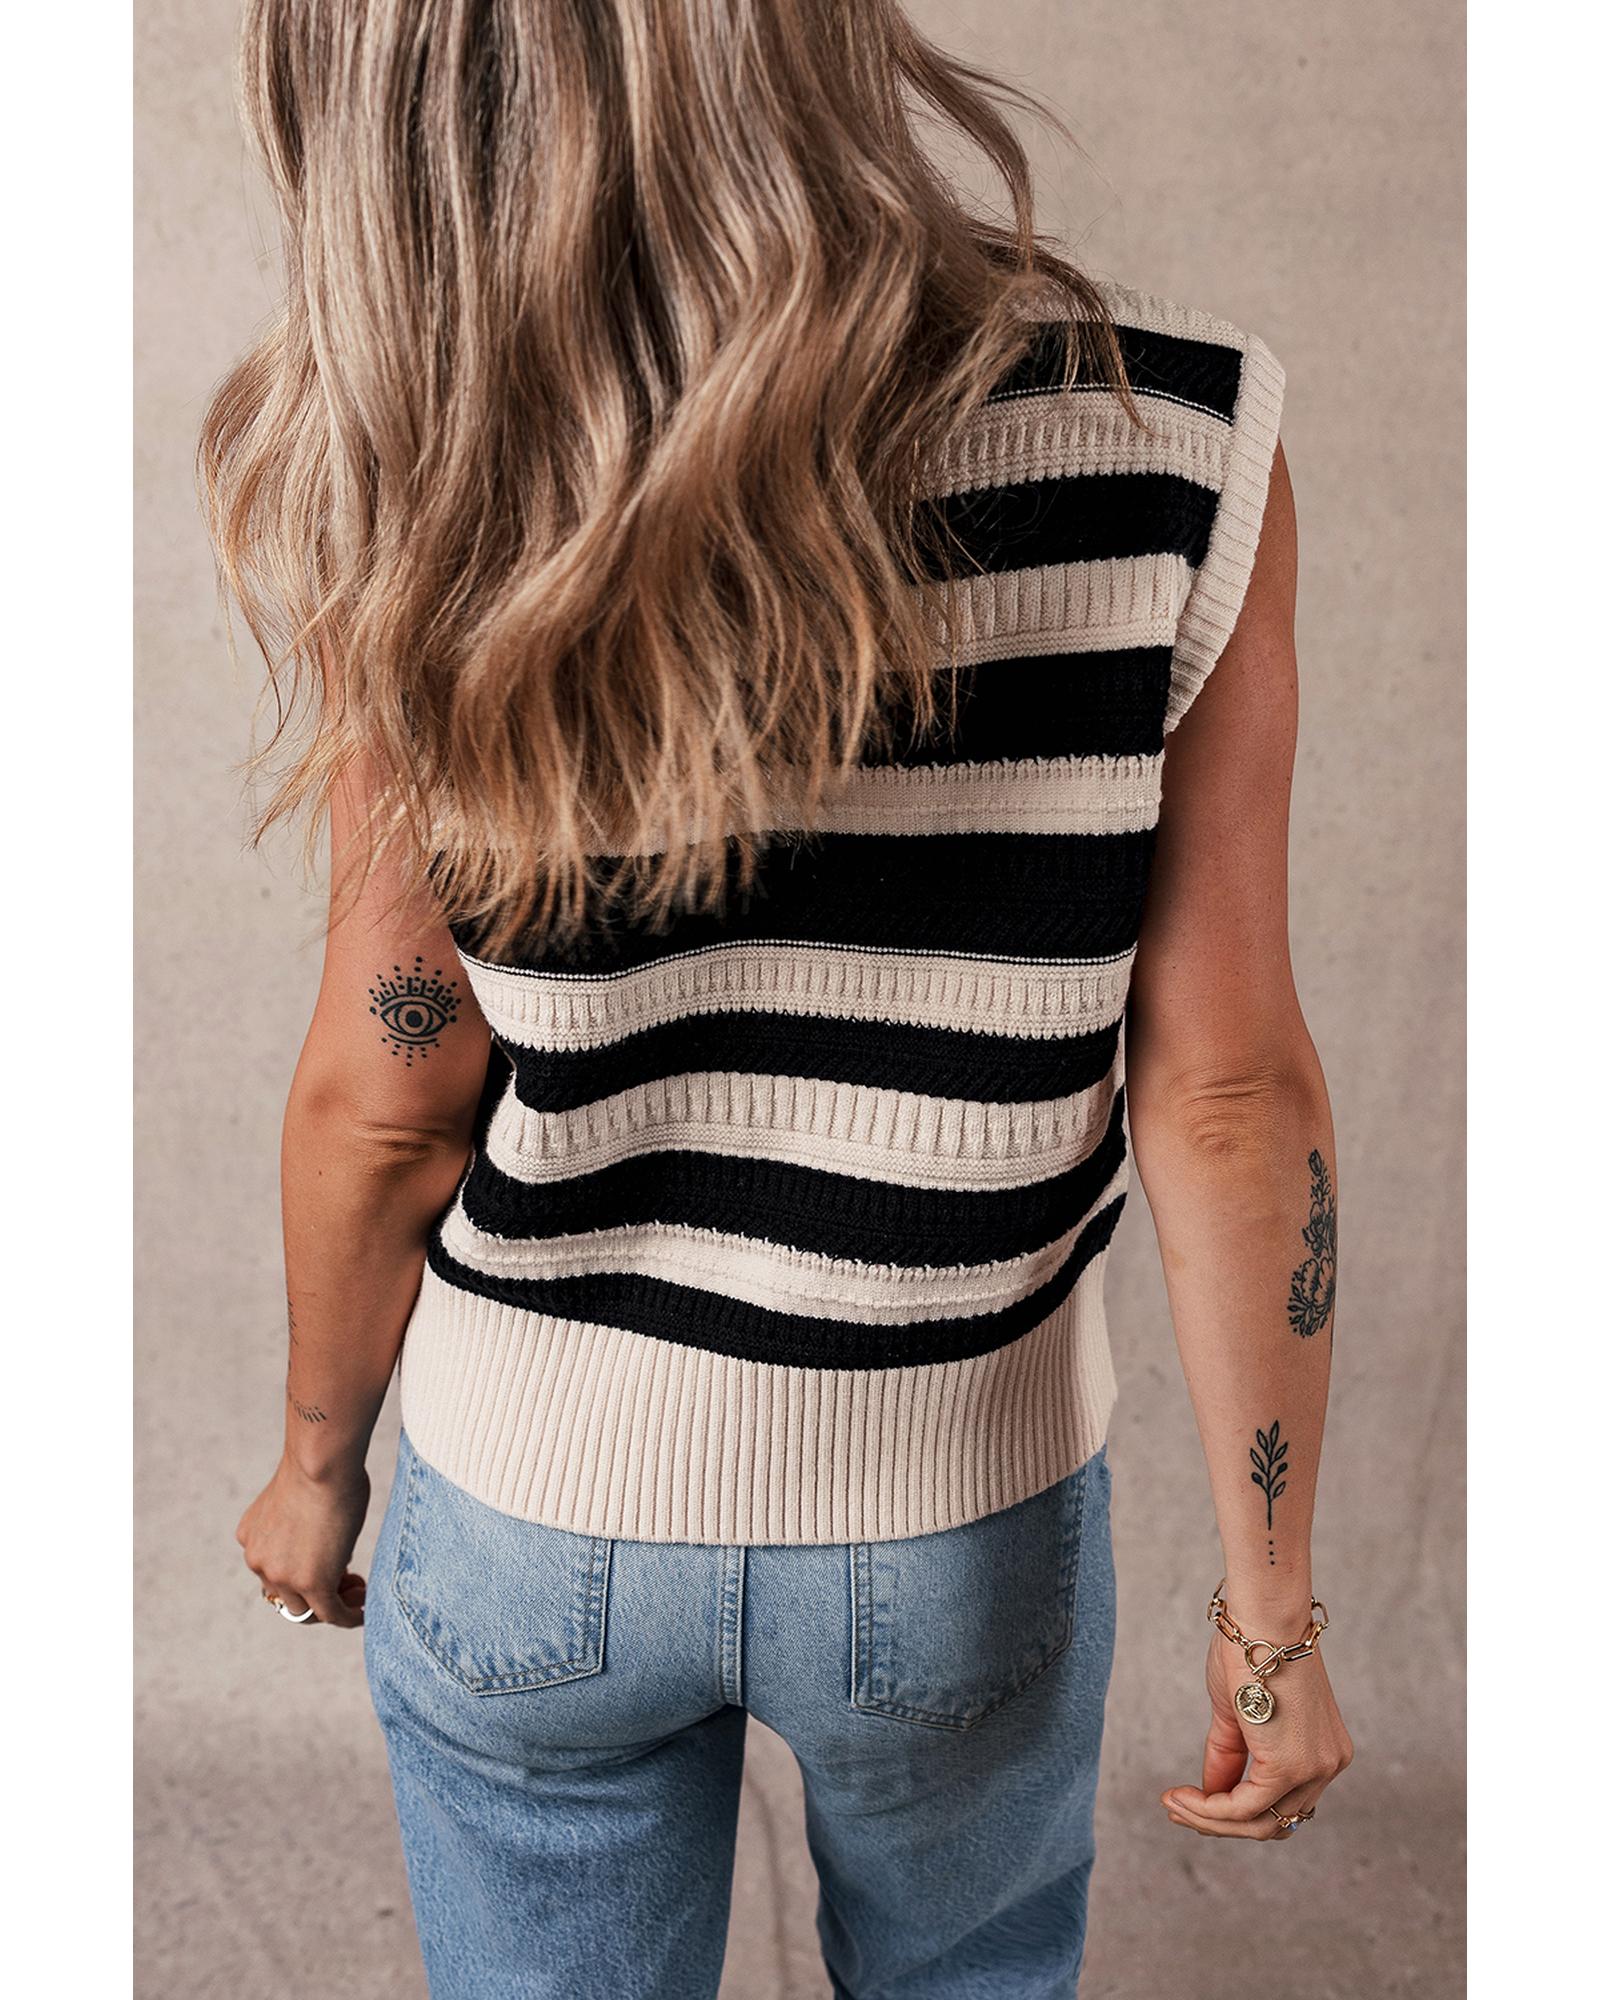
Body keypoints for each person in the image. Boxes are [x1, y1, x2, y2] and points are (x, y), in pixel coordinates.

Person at [205, 3, 1354, 1994]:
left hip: (530, 1513)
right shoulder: (1175, 441)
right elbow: (1227, 1095)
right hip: (953, 1518)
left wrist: (317, 1469)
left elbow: (384, 1092)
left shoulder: (422, 471)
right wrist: (1272, 1615)